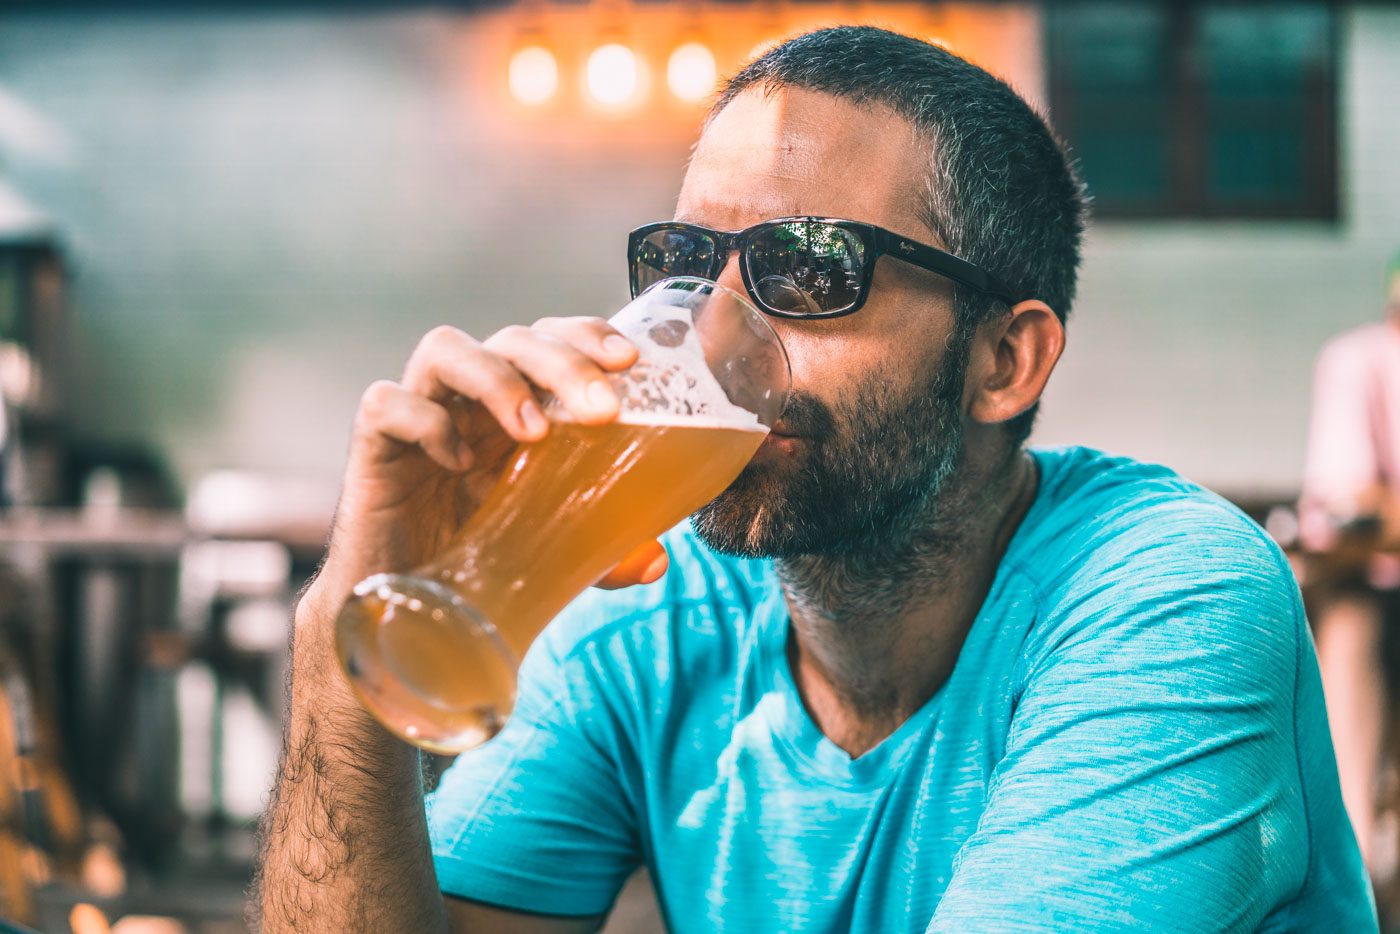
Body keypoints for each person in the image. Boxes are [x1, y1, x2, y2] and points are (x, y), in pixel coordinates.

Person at [254, 27, 1375, 931]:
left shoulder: (1168, 595)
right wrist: (336, 638)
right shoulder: (644, 608)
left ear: (1003, 359)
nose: (713, 329)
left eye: (808, 268)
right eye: (685, 266)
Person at [1298, 252, 1400, 873]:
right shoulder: (1360, 359)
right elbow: (1348, 505)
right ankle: (1352, 866)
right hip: (1366, 588)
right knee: (1352, 619)